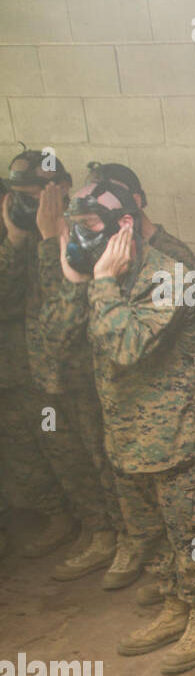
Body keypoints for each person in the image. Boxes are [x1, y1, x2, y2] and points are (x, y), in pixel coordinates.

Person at [67, 179, 195, 674]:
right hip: (124, 434)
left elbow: (127, 344)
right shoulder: (103, 275)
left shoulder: (170, 273)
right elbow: (76, 337)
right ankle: (174, 605)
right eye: (77, 226)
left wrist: (100, 282)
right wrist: (87, 279)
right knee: (150, 534)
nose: (81, 235)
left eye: (90, 224)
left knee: (191, 533)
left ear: (124, 225)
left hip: (175, 435)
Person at [0, 149, 76, 561]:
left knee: (71, 454)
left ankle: (98, 529)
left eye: (37, 196)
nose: (30, 206)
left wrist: (51, 237)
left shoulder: (83, 233)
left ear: (60, 188)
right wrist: (14, 237)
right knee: (28, 452)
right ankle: (58, 516)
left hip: (61, 375)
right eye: (22, 197)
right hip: (15, 371)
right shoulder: (12, 234)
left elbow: (66, 304)